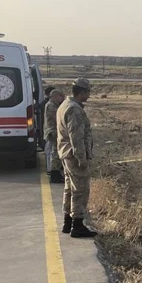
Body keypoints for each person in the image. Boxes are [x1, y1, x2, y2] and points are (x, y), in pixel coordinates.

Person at [57, 78, 97, 238]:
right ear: (82, 92)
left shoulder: (64, 105)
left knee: (69, 188)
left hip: (66, 154)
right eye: (88, 93)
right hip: (74, 156)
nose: (89, 96)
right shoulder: (74, 109)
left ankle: (68, 222)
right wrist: (82, 158)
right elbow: (77, 136)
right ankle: (77, 225)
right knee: (80, 190)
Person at [44, 89, 65, 183]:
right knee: (56, 153)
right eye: (60, 97)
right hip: (53, 132)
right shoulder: (51, 106)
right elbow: (58, 118)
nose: (61, 99)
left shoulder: (53, 105)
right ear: (55, 96)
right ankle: (54, 175)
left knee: (56, 153)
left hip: (55, 132)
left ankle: (56, 174)